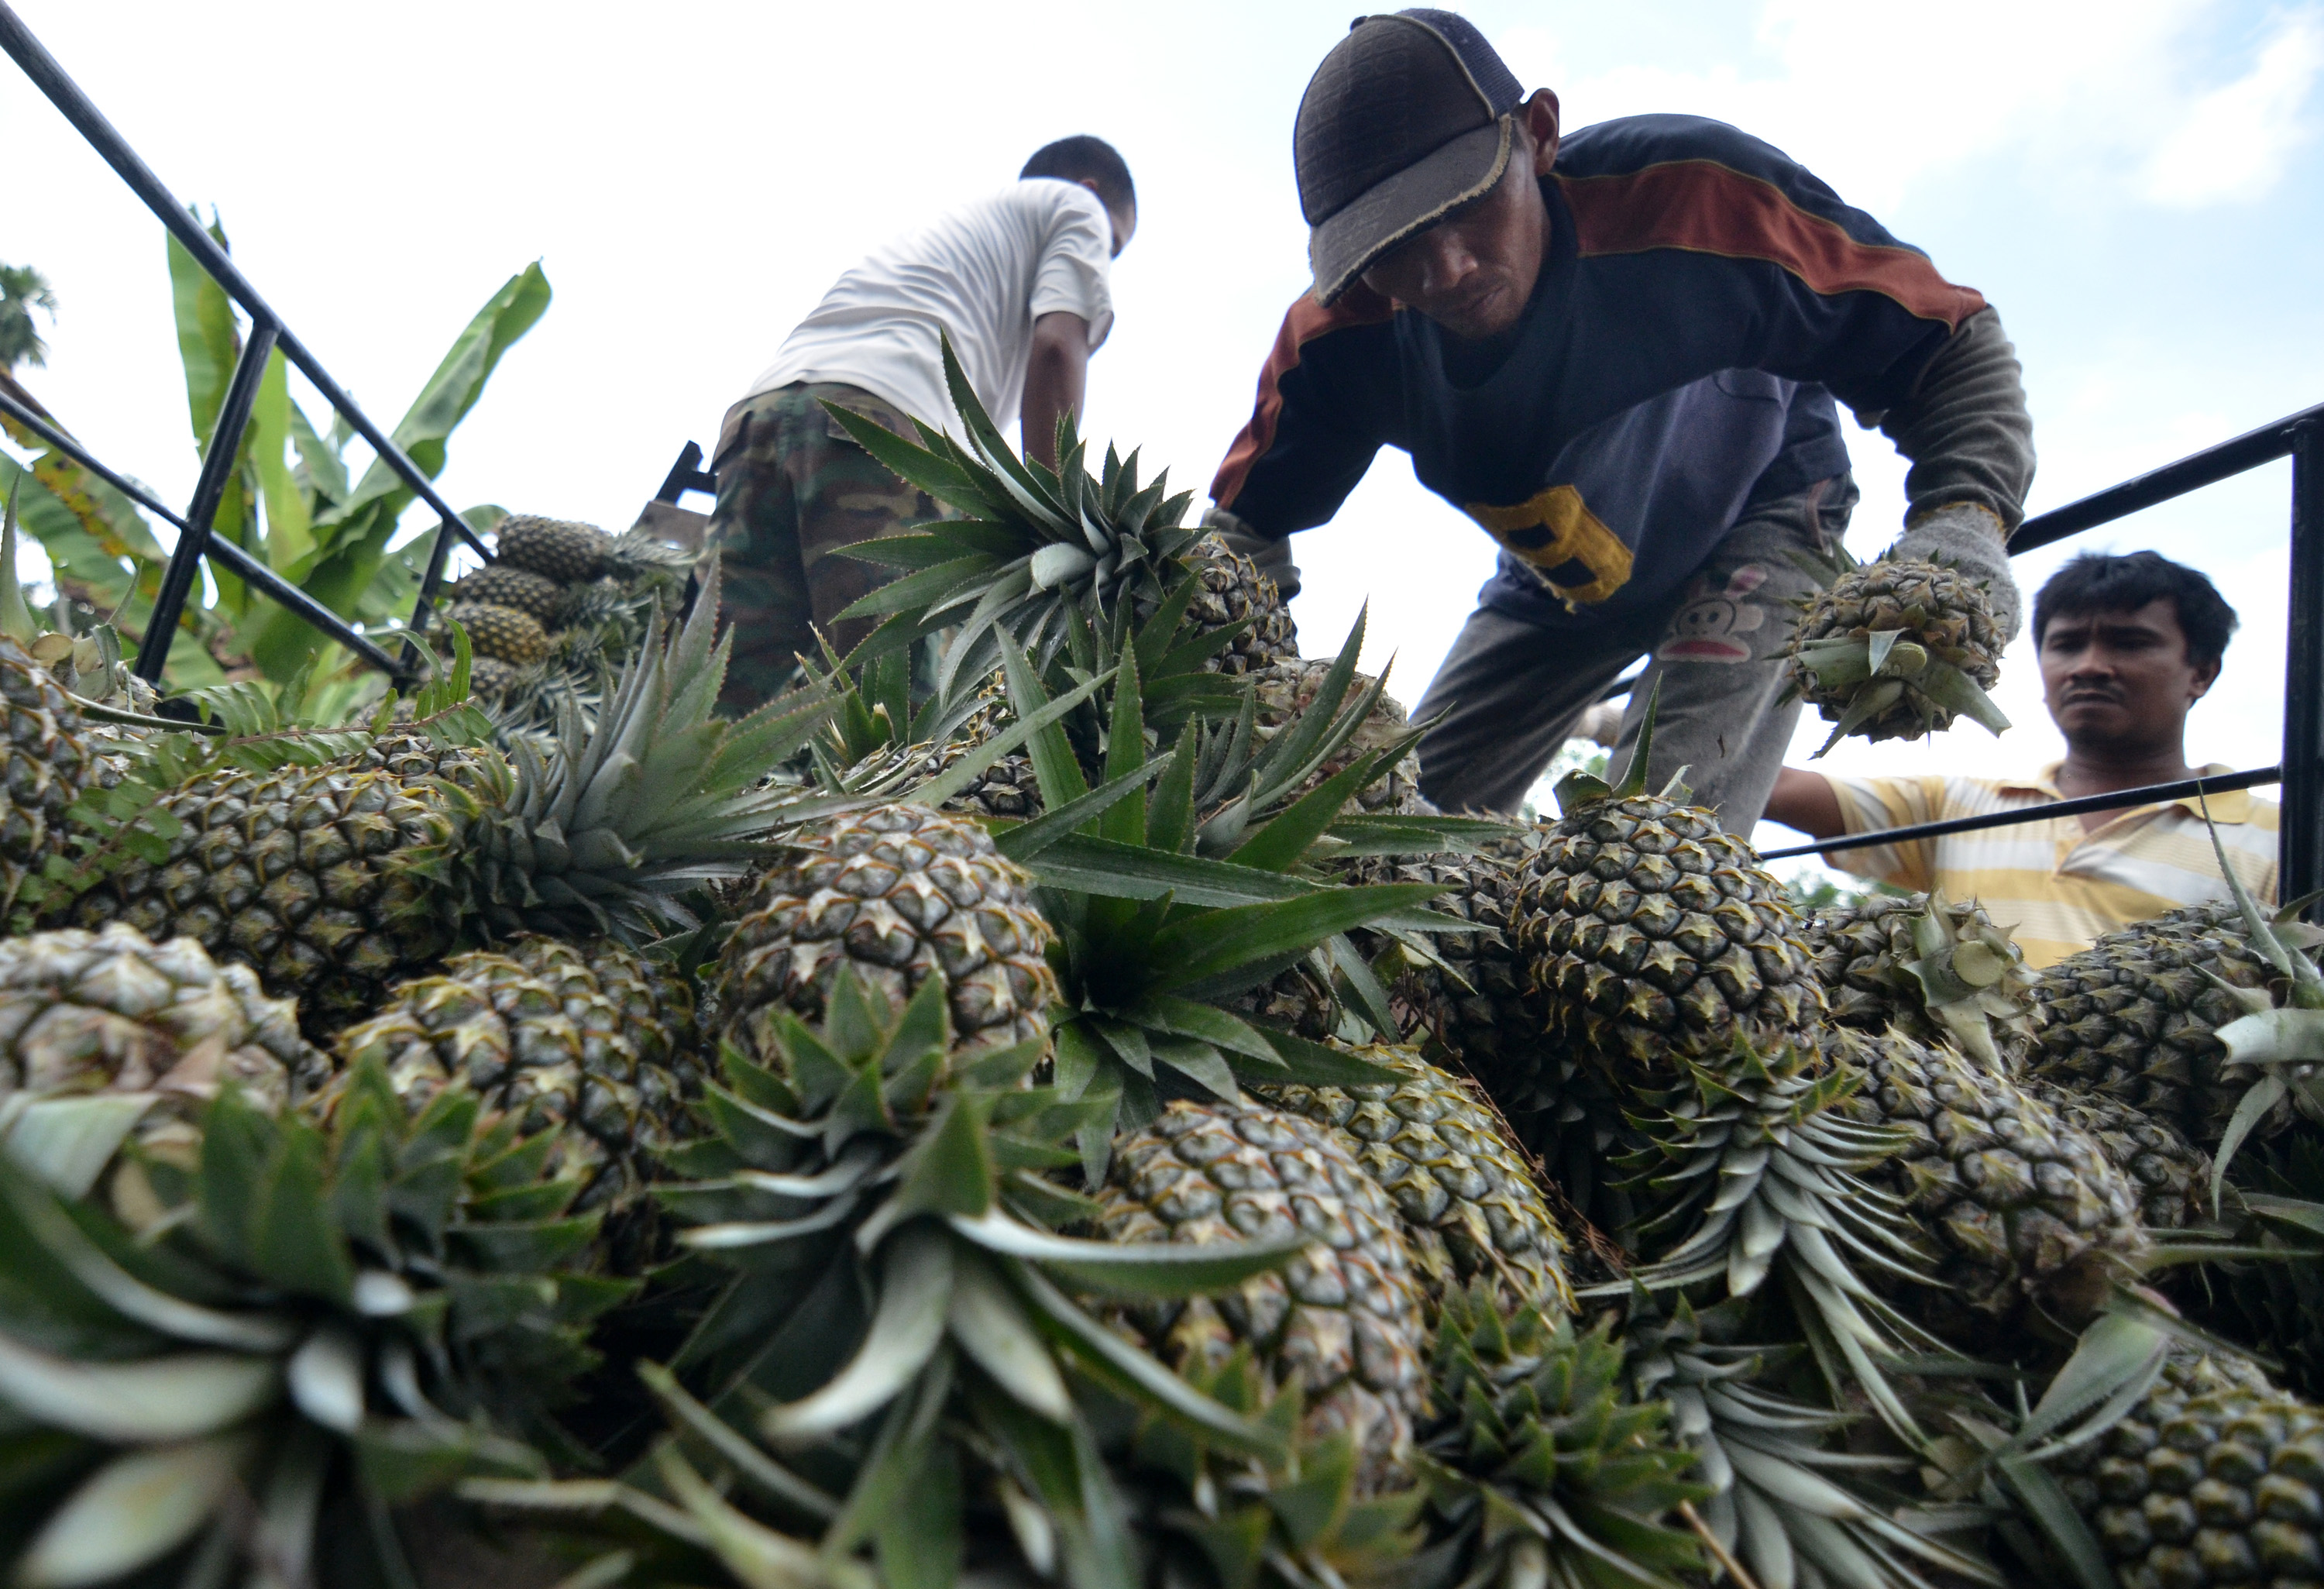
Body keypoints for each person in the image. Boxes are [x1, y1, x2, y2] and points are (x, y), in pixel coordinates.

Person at [1205, 10, 2033, 828]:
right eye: (1396, 247)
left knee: (1663, 845)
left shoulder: (1694, 201)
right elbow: (1240, 540)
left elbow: (1946, 342)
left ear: (1538, 134)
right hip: (1557, 579)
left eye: (1467, 205)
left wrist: (1964, 519)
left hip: (1758, 520)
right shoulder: (1338, 341)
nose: (1446, 268)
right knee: (1393, 835)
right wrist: (1257, 698)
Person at [703, 136, 1137, 711]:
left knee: (711, 712)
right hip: (880, 430)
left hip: (760, 415)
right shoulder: (1075, 205)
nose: (1107, 256)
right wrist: (1055, 522)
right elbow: (1058, 346)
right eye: (1114, 242)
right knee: (894, 724)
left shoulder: (960, 229)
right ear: (1092, 192)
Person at [1763, 552, 2278, 966]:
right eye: (2067, 645)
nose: (2090, 666)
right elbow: (1773, 787)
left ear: (2201, 673)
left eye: (2130, 643)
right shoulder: (1960, 805)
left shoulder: (2280, 839)